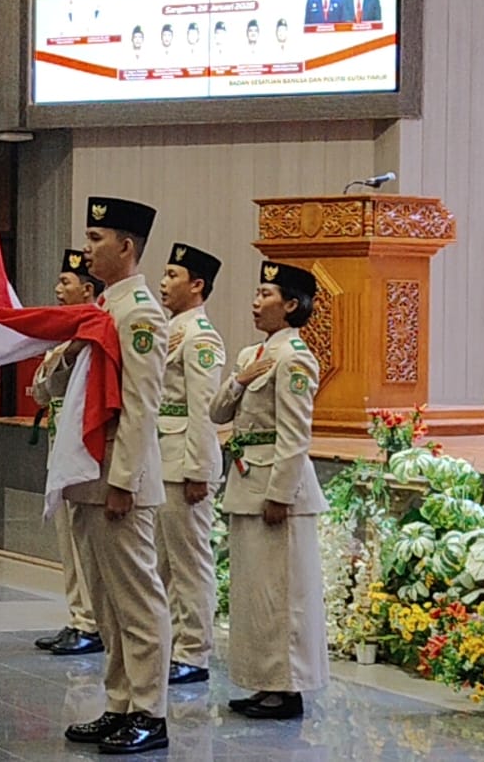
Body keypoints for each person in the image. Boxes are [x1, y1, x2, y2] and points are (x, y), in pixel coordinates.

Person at [62, 196, 170, 755]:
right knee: (106, 602)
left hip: (118, 480)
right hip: (91, 475)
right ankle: (120, 702)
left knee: (137, 601)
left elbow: (141, 405)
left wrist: (123, 480)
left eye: (96, 238)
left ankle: (150, 711)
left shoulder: (141, 315)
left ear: (126, 247)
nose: (87, 248)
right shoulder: (103, 308)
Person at [209, 260, 328, 720]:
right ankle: (265, 681)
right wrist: (238, 381)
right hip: (246, 480)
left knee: (282, 593)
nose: (256, 302)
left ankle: (287, 687)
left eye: (266, 294)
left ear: (291, 305)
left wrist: (280, 493)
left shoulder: (295, 357)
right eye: (257, 293)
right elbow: (218, 414)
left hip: (277, 491)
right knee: (255, 593)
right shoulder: (250, 356)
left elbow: (295, 434)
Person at [155, 244, 226, 685]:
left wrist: (199, 470)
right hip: (161, 458)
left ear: (197, 285)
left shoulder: (200, 336)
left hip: (183, 462)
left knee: (190, 563)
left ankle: (193, 652)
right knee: (160, 565)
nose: (163, 283)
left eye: (173, 275)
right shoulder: (171, 330)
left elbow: (203, 409)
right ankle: (165, 644)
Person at [31, 249, 105, 657]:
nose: (58, 290)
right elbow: (41, 391)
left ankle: (93, 622)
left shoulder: (97, 331)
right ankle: (79, 617)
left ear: (87, 290)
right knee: (68, 541)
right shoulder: (64, 337)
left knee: (86, 544)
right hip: (59, 447)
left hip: (84, 450)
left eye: (66, 282)